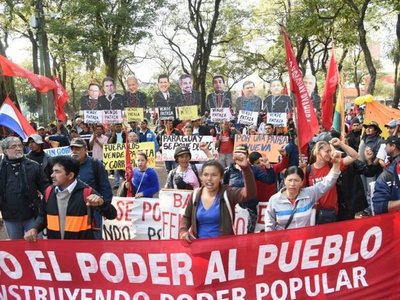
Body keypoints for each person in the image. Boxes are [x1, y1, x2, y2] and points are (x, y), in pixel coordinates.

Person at [24, 156, 117, 240]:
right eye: (53, 171)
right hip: (56, 250)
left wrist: (102, 204)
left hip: (81, 251)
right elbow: (42, 216)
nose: (52, 175)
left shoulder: (87, 192)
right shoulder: (49, 191)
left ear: (70, 175)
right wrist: (34, 228)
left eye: (57, 172)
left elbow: (112, 215)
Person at [179, 156, 257, 242]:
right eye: (206, 175)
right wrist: (183, 231)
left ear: (221, 178)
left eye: (214, 175)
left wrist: (246, 169)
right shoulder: (195, 194)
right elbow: (187, 217)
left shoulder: (228, 193)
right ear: (201, 177)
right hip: (198, 248)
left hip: (222, 249)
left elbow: (250, 194)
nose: (209, 179)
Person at [266, 151, 341, 231]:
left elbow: (327, 183)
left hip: (303, 241)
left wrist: (336, 164)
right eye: (290, 180)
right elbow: (269, 225)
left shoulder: (309, 194)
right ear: (284, 181)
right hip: (283, 241)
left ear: (302, 182)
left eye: (296, 180)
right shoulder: (274, 200)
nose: (292, 184)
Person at [0, 136, 49, 239]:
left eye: (19, 145)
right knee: (17, 248)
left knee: (37, 247)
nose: (18, 148)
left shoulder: (33, 166)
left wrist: (47, 209)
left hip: (32, 216)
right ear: (5, 151)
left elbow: (46, 189)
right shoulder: (1, 169)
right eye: (13, 146)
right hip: (10, 217)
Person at [306, 138, 358, 223]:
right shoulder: (308, 170)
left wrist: (341, 144)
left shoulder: (334, 165)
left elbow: (354, 156)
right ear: (318, 152)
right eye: (327, 151)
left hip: (332, 213)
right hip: (314, 213)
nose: (330, 154)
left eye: (330, 151)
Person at [70, 137, 113, 239]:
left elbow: (105, 188)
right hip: (73, 212)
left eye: (78, 149)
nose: (74, 151)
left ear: (85, 149)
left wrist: (104, 208)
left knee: (95, 242)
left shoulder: (96, 164)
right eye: (73, 149)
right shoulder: (67, 165)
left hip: (94, 212)